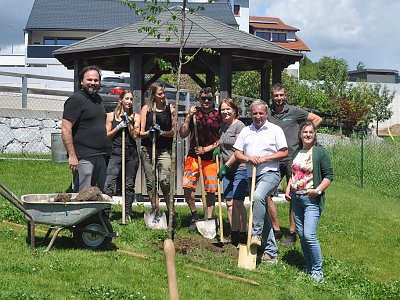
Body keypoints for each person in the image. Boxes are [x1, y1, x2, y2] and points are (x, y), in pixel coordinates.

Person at [268, 83, 323, 247]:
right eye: (275, 96)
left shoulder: (295, 111)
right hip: (275, 158)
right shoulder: (268, 113)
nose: (278, 98)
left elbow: (317, 119)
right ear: (272, 97)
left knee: (294, 194)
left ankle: (292, 233)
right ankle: (276, 229)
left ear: (286, 96)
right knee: (267, 194)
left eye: (281, 95)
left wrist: (304, 136)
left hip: (293, 157)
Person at [234, 100, 288, 263]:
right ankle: (271, 252)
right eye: (254, 113)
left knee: (258, 197)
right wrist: (249, 158)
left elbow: (284, 152)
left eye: (261, 113)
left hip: (270, 173)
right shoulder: (246, 131)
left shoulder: (275, 130)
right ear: (251, 114)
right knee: (260, 212)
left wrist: (264, 159)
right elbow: (237, 153)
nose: (258, 116)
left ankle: (255, 233)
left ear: (266, 114)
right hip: (252, 174)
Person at [285, 121, 333, 283]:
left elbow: (329, 176)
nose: (307, 134)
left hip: (312, 200)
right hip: (296, 199)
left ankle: (318, 271)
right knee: (302, 235)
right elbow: (294, 174)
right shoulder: (297, 152)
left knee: (309, 235)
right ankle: (308, 265)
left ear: (314, 134)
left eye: (310, 132)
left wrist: (318, 190)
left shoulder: (319, 152)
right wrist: (288, 187)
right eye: (305, 132)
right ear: (300, 134)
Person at [179, 87, 222, 233]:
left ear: (213, 99)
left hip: (210, 158)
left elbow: (223, 138)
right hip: (193, 156)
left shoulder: (218, 115)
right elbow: (183, 134)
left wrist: (207, 149)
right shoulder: (194, 114)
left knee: (210, 190)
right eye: (203, 98)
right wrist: (188, 117)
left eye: (209, 98)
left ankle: (209, 218)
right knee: (187, 186)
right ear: (199, 99)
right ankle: (194, 216)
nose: (206, 101)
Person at [62, 65, 107, 192]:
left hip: (100, 155)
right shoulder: (76, 100)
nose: (93, 83)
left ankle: (97, 213)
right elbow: (66, 128)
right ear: (81, 81)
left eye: (96, 80)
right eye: (89, 80)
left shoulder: (97, 99)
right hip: (83, 157)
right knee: (83, 195)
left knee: (98, 195)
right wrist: (72, 155)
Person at [139, 83, 175, 223]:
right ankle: (156, 212)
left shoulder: (170, 108)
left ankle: (171, 213)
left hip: (164, 150)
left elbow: (174, 131)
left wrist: (162, 133)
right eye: (160, 94)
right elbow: (140, 133)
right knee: (151, 182)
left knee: (164, 181)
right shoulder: (146, 109)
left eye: (164, 93)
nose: (163, 96)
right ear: (153, 95)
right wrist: (149, 132)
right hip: (148, 149)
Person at [214, 98, 247, 246]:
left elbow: (238, 150)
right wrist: (217, 148)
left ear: (234, 110)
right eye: (222, 109)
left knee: (238, 203)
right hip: (227, 170)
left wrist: (225, 166)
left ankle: (243, 234)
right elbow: (224, 144)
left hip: (240, 168)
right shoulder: (223, 127)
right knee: (229, 203)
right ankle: (233, 235)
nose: (225, 112)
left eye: (228, 109)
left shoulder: (239, 126)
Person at [103, 90, 140, 221]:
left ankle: (127, 212)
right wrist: (118, 127)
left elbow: (135, 135)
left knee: (129, 184)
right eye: (127, 99)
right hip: (117, 151)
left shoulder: (136, 116)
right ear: (121, 100)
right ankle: (105, 212)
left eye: (131, 99)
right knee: (109, 183)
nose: (129, 102)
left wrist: (128, 123)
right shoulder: (110, 116)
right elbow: (107, 136)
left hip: (131, 153)